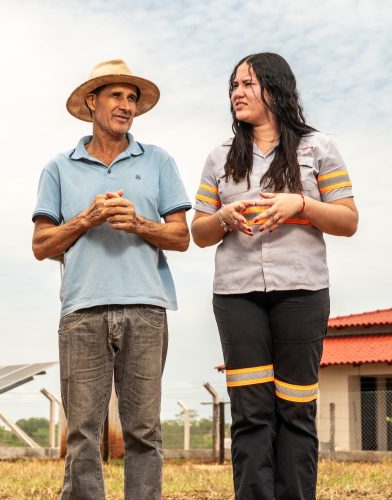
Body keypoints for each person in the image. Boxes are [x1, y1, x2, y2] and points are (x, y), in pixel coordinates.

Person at [191, 52, 358, 499]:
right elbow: (198, 233)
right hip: (236, 295)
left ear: (276, 89)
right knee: (251, 410)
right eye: (233, 86)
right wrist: (224, 215)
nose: (237, 94)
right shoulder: (220, 157)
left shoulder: (318, 147)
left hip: (302, 292)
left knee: (296, 408)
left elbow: (347, 220)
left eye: (247, 84)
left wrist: (300, 204)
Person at [32, 59, 191, 499]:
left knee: (144, 430)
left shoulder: (158, 161)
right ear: (92, 102)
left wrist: (139, 223)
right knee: (83, 433)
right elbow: (42, 245)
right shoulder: (59, 168)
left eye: (132, 98)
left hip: (146, 306)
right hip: (82, 309)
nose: (126, 106)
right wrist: (87, 218)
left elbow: (181, 237)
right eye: (116, 96)